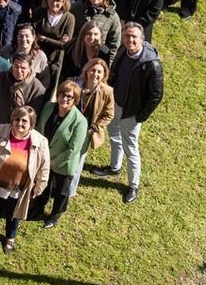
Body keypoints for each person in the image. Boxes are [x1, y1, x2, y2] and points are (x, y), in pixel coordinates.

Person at [94, 23, 164, 204]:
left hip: (132, 113)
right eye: (127, 36)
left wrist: (140, 116)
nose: (130, 40)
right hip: (116, 104)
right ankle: (114, 167)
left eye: (133, 37)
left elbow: (156, 95)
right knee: (114, 135)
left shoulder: (152, 64)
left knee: (130, 148)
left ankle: (133, 185)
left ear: (142, 39)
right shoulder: (123, 52)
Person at [0, 106, 49, 253]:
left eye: (24, 121)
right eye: (16, 119)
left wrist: (39, 187)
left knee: (14, 213)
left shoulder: (41, 141)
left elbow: (44, 167)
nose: (19, 123)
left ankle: (10, 237)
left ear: (31, 124)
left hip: (19, 186)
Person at [29, 81, 86, 228]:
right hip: (44, 157)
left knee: (61, 191)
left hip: (63, 163)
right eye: (62, 94)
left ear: (75, 100)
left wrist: (53, 162)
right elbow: (40, 128)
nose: (64, 99)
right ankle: (38, 207)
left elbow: (73, 149)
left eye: (69, 97)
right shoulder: (48, 107)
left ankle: (55, 214)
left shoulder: (80, 121)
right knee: (44, 184)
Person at [73, 58, 115, 196]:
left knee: (78, 162)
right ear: (87, 70)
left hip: (86, 132)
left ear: (104, 75)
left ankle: (69, 191)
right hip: (70, 127)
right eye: (93, 70)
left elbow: (109, 114)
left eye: (99, 72)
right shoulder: (76, 84)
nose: (95, 74)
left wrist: (95, 128)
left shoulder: (107, 91)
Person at [34, 0, 76, 93]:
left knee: (49, 90)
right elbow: (33, 35)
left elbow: (65, 45)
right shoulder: (39, 13)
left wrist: (45, 38)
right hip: (37, 55)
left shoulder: (69, 18)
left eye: (58, 0)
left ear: (64, 2)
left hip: (56, 59)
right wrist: (57, 41)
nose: (54, 3)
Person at [0, 53, 47, 125]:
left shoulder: (37, 88)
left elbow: (33, 116)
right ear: (12, 65)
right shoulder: (0, 78)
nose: (19, 71)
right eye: (16, 66)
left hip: (21, 128)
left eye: (23, 68)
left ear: (30, 68)